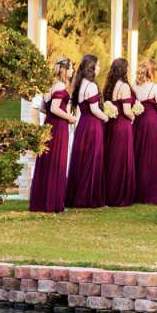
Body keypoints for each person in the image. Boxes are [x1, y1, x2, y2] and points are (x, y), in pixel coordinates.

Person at [28, 58, 74, 214]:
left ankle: (43, 200)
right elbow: (54, 108)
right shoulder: (60, 86)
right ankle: (53, 202)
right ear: (63, 70)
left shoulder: (50, 86)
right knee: (56, 162)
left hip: (49, 125)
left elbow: (43, 108)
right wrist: (69, 117)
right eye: (71, 69)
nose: (73, 71)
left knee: (48, 162)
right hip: (58, 127)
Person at [64, 53, 107, 209]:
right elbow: (95, 109)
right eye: (98, 65)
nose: (100, 67)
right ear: (92, 67)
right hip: (93, 125)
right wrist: (106, 117)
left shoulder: (80, 83)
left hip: (83, 125)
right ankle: (89, 198)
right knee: (92, 160)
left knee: (83, 160)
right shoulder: (92, 85)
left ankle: (78, 196)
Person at [101, 60, 139, 208]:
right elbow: (127, 110)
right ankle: (119, 195)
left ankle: (109, 194)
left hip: (111, 125)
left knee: (111, 158)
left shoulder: (109, 86)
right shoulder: (124, 86)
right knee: (122, 159)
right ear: (124, 70)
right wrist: (134, 117)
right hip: (122, 125)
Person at [132, 61, 157, 207]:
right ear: (152, 72)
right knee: (153, 156)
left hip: (139, 123)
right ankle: (154, 192)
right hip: (153, 124)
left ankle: (138, 192)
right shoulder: (155, 87)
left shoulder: (134, 87)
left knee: (139, 155)